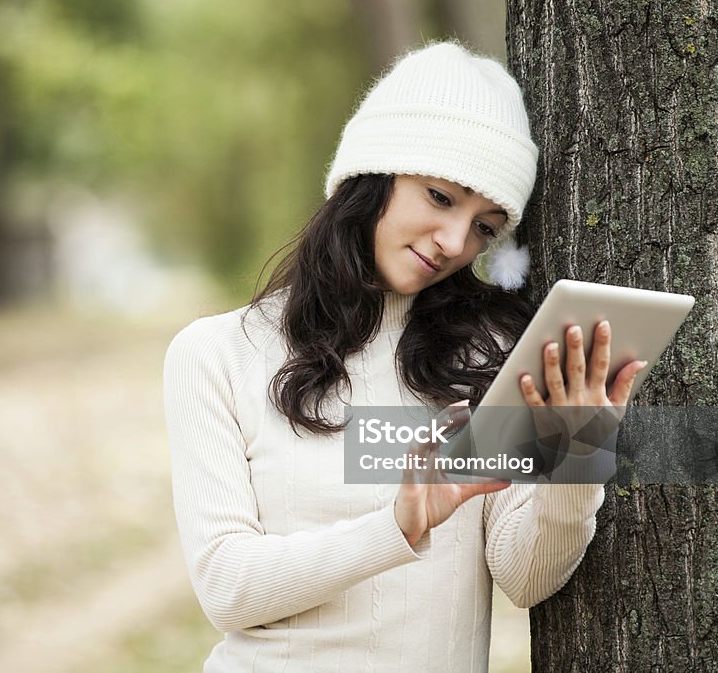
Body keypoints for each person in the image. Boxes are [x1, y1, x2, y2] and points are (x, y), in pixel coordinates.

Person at [163, 41, 646, 672]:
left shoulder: (489, 355)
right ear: (372, 177)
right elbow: (228, 589)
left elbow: (526, 577)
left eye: (486, 226)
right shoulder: (217, 354)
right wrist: (397, 525)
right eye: (441, 197)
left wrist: (577, 456)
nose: (454, 242)